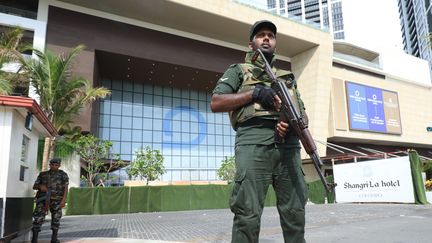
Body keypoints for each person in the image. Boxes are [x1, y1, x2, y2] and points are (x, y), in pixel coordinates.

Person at [211, 20, 308, 243]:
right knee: (247, 213)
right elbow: (216, 102)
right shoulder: (238, 70)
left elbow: (304, 114)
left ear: (275, 44)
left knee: (295, 213)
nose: (266, 38)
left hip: (289, 146)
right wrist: (254, 94)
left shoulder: (288, 77)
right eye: (261, 35)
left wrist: (291, 122)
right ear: (251, 44)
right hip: (253, 144)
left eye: (270, 36)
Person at [31, 158, 69, 243]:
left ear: (59, 165)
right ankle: (34, 240)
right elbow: (34, 186)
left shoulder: (63, 175)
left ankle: (54, 239)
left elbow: (66, 188)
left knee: (56, 219)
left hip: (57, 200)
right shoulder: (43, 174)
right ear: (50, 165)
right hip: (43, 199)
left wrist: (64, 200)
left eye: (56, 165)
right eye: (52, 165)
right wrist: (40, 186)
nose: (54, 166)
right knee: (38, 218)